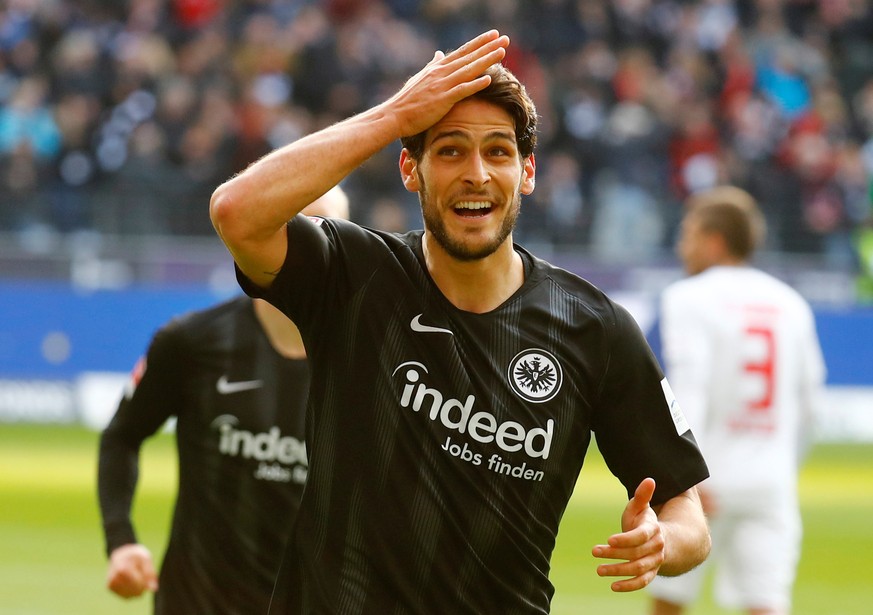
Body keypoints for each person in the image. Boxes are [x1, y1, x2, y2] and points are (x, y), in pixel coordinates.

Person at [210, 30, 711, 614]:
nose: (476, 173)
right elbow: (236, 213)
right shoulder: (354, 273)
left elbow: (688, 513)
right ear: (410, 168)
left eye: (497, 151)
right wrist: (396, 114)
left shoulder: (594, 328)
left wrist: (662, 542)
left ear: (526, 172)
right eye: (449, 150)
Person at [97, 187, 349, 615]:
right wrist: (120, 541)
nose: (305, 242)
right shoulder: (192, 342)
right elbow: (122, 435)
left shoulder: (374, 356)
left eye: (324, 228)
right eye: (291, 225)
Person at [647, 186, 827, 615]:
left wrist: (689, 477)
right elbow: (811, 406)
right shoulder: (791, 303)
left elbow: (692, 389)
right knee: (765, 604)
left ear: (714, 240)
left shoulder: (686, 297)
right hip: (771, 481)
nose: (681, 244)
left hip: (706, 480)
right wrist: (783, 468)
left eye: (688, 232)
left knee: (670, 600)